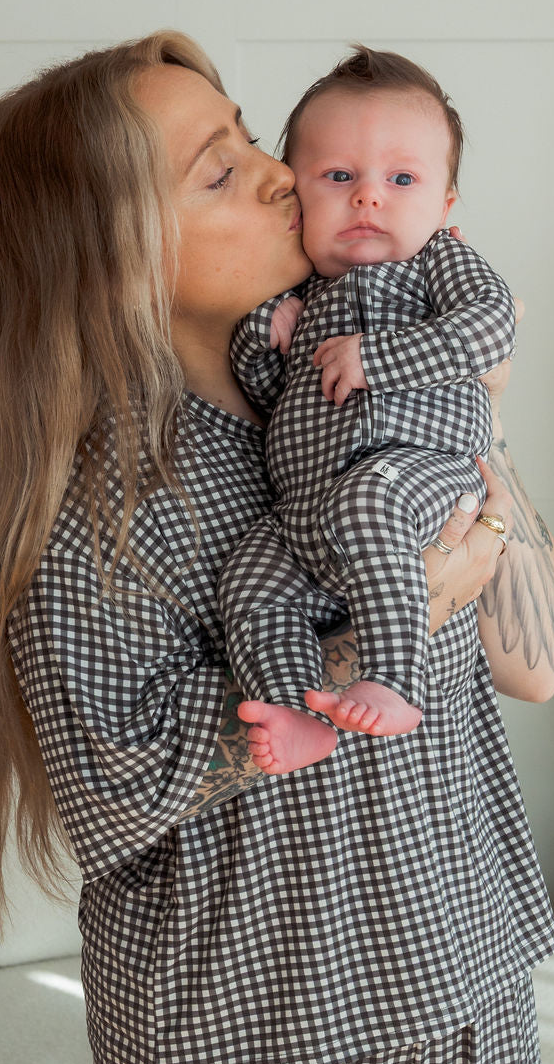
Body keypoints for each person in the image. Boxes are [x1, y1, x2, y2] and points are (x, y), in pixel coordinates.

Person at [0, 31, 554, 1064]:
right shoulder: (97, 505)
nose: (279, 176)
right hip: (254, 1047)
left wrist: (481, 420)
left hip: (461, 975)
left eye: (252, 140)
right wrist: (391, 619)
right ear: (104, 254)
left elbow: (537, 670)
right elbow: (119, 786)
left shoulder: (352, 371)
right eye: (217, 172)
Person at [219, 45, 516, 762]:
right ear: (296, 198)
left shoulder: (437, 261)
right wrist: (262, 338)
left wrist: (377, 357)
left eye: (402, 178)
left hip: (416, 474)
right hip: (307, 511)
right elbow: (271, 401)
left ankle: (393, 680)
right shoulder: (294, 298)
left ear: (444, 204)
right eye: (339, 176)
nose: (368, 196)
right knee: (251, 581)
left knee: (370, 500)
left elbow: (492, 322)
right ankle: (298, 713)